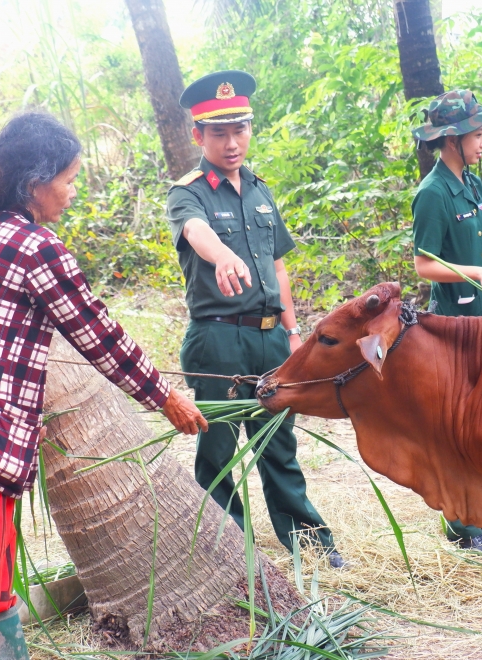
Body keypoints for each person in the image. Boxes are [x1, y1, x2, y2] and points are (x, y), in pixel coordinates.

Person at [0, 112, 207, 660]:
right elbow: (98, 333)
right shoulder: (33, 246)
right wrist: (164, 397)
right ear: (34, 183)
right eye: (66, 178)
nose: (70, 190)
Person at [166, 70, 342, 568]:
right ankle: (228, 554)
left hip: (269, 341)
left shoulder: (262, 192)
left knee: (278, 444)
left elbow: (279, 265)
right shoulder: (189, 192)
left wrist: (291, 332)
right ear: (198, 136)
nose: (231, 142)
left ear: (250, 129)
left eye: (239, 129)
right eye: (218, 132)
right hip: (218, 342)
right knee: (218, 453)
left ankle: (308, 544)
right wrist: (221, 255)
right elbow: (196, 230)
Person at [409, 89, 482, 554]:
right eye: (478, 134)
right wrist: (478, 274)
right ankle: (461, 526)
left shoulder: (472, 182)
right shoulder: (432, 193)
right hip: (454, 323)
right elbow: (423, 264)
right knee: (457, 426)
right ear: (451, 140)